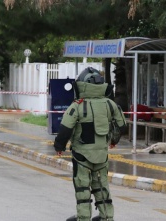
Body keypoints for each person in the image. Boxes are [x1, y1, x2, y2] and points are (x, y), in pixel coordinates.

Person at [54, 67, 127, 221]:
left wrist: (59, 146)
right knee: (101, 186)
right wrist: (114, 140)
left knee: (82, 187)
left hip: (81, 156)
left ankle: (83, 217)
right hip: (101, 155)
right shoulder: (109, 104)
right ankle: (107, 216)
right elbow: (122, 126)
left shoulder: (77, 105)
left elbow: (65, 128)